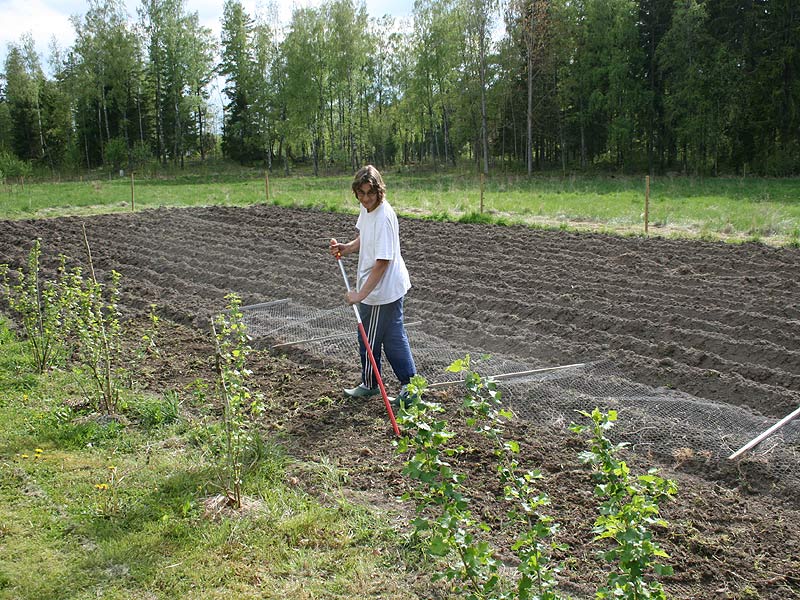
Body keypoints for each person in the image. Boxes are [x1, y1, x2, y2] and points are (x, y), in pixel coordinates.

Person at [329, 165, 416, 405]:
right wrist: (347, 247)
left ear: (380, 191)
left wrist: (360, 295)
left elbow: (382, 262)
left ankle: (374, 384)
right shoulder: (368, 209)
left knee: (373, 337)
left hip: (381, 290)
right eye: (361, 193)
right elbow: (365, 237)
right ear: (356, 192)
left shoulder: (384, 216)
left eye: (370, 193)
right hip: (381, 288)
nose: (366, 198)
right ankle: (407, 386)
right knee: (391, 337)